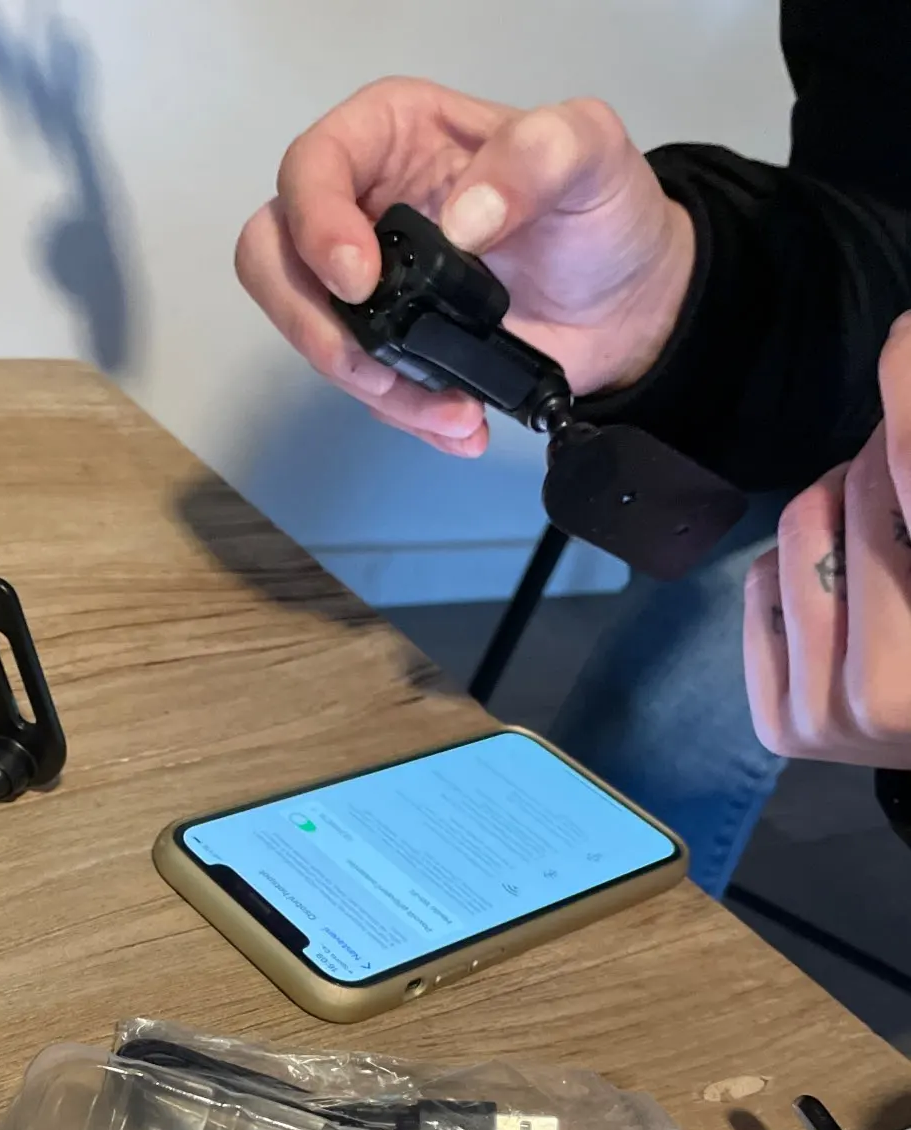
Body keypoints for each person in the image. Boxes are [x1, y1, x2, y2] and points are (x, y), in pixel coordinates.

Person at [234, 11, 911, 894]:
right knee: (640, 725)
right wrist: (672, 298)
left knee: (668, 711)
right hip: (841, 396)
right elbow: (877, 218)